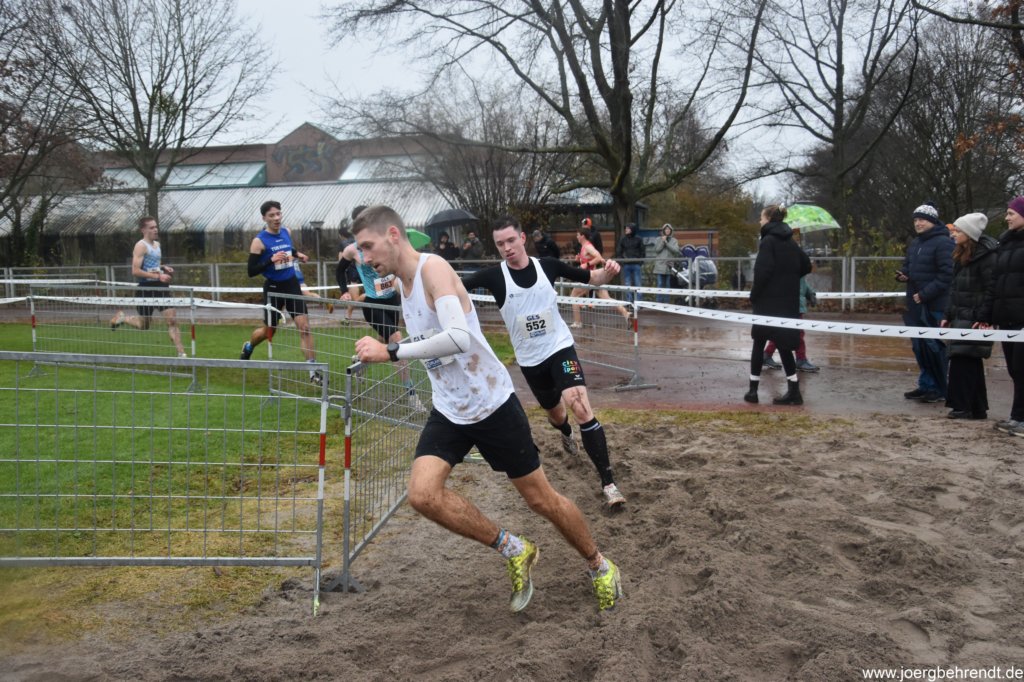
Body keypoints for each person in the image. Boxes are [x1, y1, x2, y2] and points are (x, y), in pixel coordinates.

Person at [350, 204, 622, 612]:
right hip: (450, 409)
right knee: (422, 495)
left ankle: (599, 565)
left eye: (368, 246)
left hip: (492, 404)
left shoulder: (433, 269)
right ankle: (515, 548)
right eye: (360, 250)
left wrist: (392, 352)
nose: (365, 257)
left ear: (392, 235)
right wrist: (397, 343)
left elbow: (458, 338)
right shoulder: (402, 284)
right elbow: (431, 339)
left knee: (542, 501)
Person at [462, 216, 628, 510]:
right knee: (557, 415)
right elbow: (454, 287)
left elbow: (592, 279)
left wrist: (609, 271)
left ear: (522, 238)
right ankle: (565, 432)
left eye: (511, 241)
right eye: (500, 244)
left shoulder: (548, 266)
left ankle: (609, 484)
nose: (507, 248)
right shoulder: (494, 276)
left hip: (560, 349)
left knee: (579, 405)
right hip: (531, 362)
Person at [238, 200, 322, 386]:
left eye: (278, 214)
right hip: (273, 288)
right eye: (272, 215)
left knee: (305, 328)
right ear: (264, 218)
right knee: (269, 331)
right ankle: (249, 346)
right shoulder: (259, 241)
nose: (276, 218)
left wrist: (298, 254)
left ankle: (313, 371)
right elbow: (251, 271)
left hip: (291, 284)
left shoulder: (286, 232)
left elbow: (287, 248)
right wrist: (271, 260)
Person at [744, 204, 812, 405]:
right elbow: (806, 265)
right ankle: (794, 391)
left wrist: (754, 295)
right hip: (787, 302)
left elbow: (761, 273)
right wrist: (788, 278)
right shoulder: (791, 242)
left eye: (761, 217)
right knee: (784, 346)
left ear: (768, 219)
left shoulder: (768, 241)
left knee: (759, 343)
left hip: (767, 303)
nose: (759, 221)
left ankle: (753, 391)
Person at [896, 202, 954, 404]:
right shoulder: (915, 243)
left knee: (934, 347)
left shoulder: (944, 243)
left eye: (922, 220)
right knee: (919, 347)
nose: (918, 223)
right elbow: (908, 266)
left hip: (935, 306)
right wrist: (903, 274)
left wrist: (925, 294)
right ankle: (926, 385)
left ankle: (939, 388)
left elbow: (947, 275)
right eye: (916, 220)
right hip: (915, 305)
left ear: (932, 221)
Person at [940, 213, 996, 420]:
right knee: (965, 358)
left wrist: (983, 316)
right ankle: (976, 407)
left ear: (969, 234)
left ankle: (962, 406)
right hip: (961, 315)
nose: (953, 234)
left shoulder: (987, 257)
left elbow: (991, 289)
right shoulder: (961, 256)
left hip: (973, 318)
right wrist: (948, 313)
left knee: (965, 359)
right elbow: (955, 289)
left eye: (958, 230)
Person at [109, 216, 187, 357]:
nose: (155, 229)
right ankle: (122, 318)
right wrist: (158, 276)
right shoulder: (140, 246)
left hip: (161, 287)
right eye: (151, 227)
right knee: (144, 325)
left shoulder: (157, 245)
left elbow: (153, 265)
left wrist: (163, 268)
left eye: (156, 227)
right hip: (145, 289)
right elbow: (135, 271)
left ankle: (181, 353)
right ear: (143, 230)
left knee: (172, 320)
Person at [980, 197, 1024, 436]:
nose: (1007, 218)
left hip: (1021, 319)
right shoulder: (1005, 244)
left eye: (1011, 213)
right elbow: (994, 282)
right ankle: (1017, 417)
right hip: (1007, 318)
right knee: (1015, 370)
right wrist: (986, 313)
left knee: (1022, 368)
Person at [569, 227, 630, 328]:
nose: (577, 237)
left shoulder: (588, 246)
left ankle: (578, 322)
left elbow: (598, 257)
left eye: (577, 235)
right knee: (607, 298)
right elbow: (589, 259)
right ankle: (626, 314)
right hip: (593, 278)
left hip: (588, 278)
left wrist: (586, 264)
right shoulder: (584, 247)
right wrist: (578, 260)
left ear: (582, 236)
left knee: (573, 297)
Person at [762, 275, 819, 372]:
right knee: (798, 334)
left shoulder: (799, 270)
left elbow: (802, 283)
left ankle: (767, 355)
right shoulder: (790, 268)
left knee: (780, 333)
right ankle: (801, 360)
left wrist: (810, 294)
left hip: (795, 306)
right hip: (790, 306)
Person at [615, 222, 646, 303]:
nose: (626, 229)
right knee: (627, 284)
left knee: (638, 283)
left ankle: (639, 302)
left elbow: (643, 251)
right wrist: (622, 262)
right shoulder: (623, 239)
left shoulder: (639, 239)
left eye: (628, 228)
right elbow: (619, 251)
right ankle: (629, 302)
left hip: (636, 264)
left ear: (632, 229)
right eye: (626, 228)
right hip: (626, 265)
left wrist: (640, 262)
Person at [652, 223, 681, 304]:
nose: (667, 231)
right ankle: (659, 302)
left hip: (669, 266)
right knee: (660, 284)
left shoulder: (674, 240)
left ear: (671, 231)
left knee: (668, 285)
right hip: (660, 265)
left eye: (669, 229)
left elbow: (676, 251)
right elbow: (657, 250)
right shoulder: (658, 239)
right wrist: (662, 241)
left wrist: (666, 243)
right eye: (666, 229)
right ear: (663, 231)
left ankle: (666, 303)